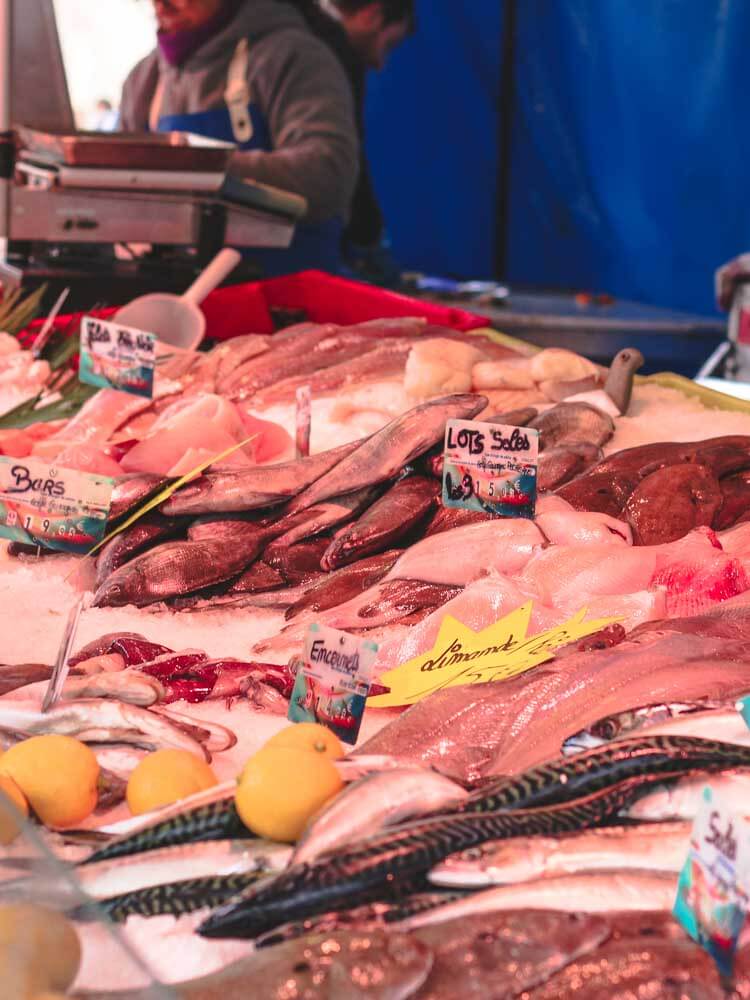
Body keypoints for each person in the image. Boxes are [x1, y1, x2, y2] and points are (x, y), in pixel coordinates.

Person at [119, 0, 360, 274]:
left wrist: (191, 168)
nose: (160, 4)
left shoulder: (292, 55)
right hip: (178, 298)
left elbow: (326, 176)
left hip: (287, 291)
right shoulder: (143, 80)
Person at [290, 0, 414, 278]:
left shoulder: (294, 30)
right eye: (388, 44)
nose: (380, 62)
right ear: (372, 14)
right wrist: (367, 236)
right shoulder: (329, 50)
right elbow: (345, 165)